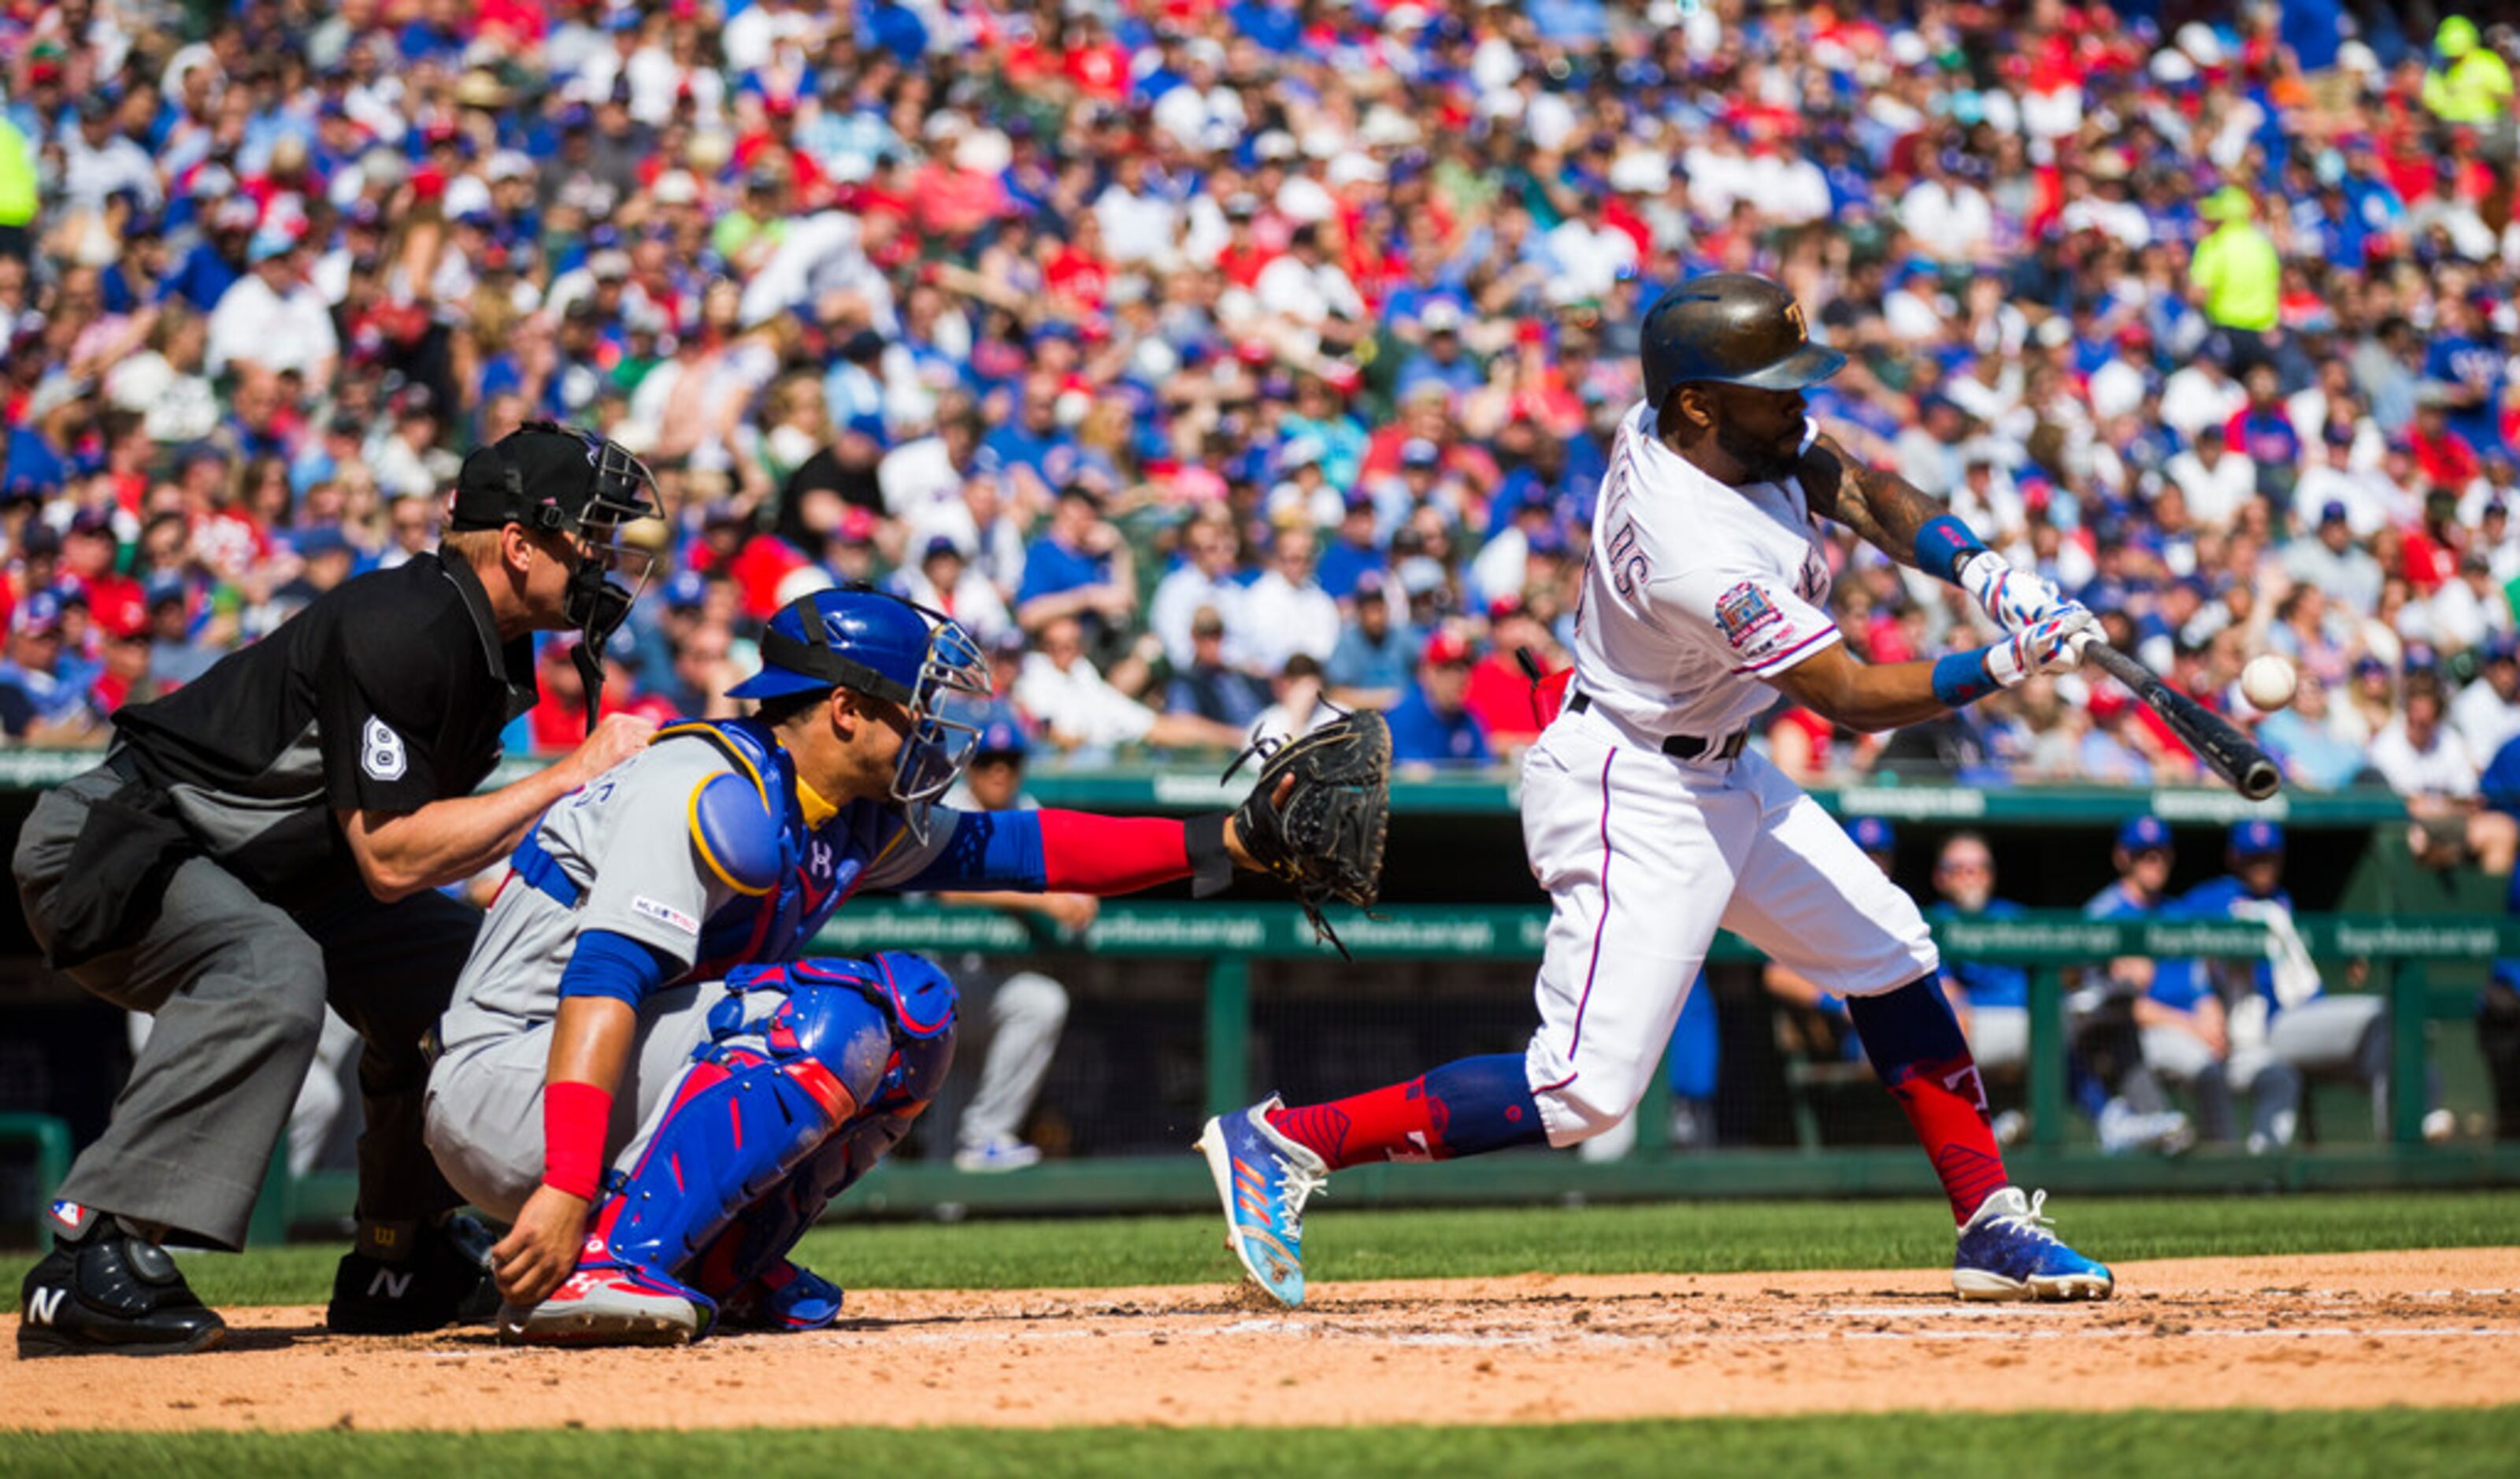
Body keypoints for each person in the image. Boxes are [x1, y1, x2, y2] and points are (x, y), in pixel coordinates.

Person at [1198, 273, 2113, 1310]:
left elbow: (1853, 485)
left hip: (1721, 764)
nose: (1799, 404)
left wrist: (1988, 572)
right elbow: (1847, 696)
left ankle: (1989, 1219)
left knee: (1891, 952)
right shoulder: (1692, 548)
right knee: (1581, 1087)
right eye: (1775, 389)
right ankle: (1283, 1142)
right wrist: (2002, 663)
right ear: (1700, 405)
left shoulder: (1698, 425)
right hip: (1630, 782)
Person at [422, 588, 1292, 1346]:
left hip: (592, 1082)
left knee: (916, 1015)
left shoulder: (839, 808)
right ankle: (607, 1266)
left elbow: (1029, 848)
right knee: (819, 1019)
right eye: (915, 705)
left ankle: (722, 1264)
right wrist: (568, 1182)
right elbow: (599, 984)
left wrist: (1226, 843)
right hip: (512, 1085)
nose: (933, 727)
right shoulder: (703, 783)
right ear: (845, 709)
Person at [13, 421, 662, 1358]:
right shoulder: (406, 623)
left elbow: (395, 850)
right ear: (519, 545)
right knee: (269, 972)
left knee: (467, 985)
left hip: (272, 867)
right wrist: (569, 773)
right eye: (589, 538)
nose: (604, 560)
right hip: (119, 839)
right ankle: (92, 1247)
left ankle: (402, 1256)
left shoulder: (483, 640)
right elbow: (393, 857)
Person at [930, 716, 1082, 1172]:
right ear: (970, 766)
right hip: (931, 984)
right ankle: (985, 1136)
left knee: (951, 1138)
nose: (1000, 771)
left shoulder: (1023, 806)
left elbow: (1064, 866)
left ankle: (979, 1145)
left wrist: (1078, 889)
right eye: (989, 760)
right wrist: (1045, 902)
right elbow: (952, 888)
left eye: (1010, 760)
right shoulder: (947, 805)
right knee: (1037, 1003)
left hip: (985, 985)